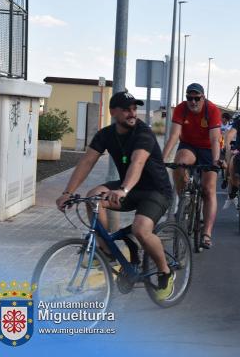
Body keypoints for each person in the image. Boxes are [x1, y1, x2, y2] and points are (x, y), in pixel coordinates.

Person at [55, 91, 174, 300]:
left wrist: (123, 190)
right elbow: (86, 162)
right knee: (93, 197)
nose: (132, 113)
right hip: (129, 189)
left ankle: (165, 272)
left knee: (140, 229)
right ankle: (107, 252)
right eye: (127, 109)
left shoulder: (143, 133)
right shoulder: (106, 134)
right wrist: (68, 192)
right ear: (113, 112)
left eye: (134, 109)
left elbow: (137, 163)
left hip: (156, 190)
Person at [162, 83, 222, 250]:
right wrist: (162, 159)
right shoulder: (181, 109)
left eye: (197, 98)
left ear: (203, 97)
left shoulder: (212, 110)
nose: (193, 101)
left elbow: (215, 139)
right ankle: (184, 200)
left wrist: (216, 161)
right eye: (190, 98)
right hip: (189, 145)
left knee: (208, 189)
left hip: (209, 148)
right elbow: (174, 135)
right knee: (179, 164)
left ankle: (207, 233)